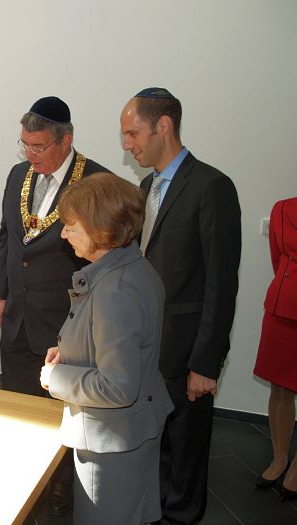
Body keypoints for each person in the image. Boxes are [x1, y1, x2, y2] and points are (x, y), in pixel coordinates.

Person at [120, 87, 242, 524]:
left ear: (164, 126)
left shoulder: (212, 187)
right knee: (157, 451)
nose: (127, 145)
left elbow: (220, 284)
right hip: (147, 348)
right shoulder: (146, 187)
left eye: (133, 133)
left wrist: (205, 364)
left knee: (186, 460)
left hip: (187, 353)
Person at [40, 172, 173, 525]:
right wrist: (70, 353)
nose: (63, 234)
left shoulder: (116, 290)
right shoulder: (133, 267)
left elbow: (116, 386)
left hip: (112, 442)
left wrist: (56, 377)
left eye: (71, 226)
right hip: (133, 429)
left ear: (100, 228)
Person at [0, 96, 107, 397]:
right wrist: (0, 294)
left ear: (65, 141)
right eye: (25, 144)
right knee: (14, 406)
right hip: (17, 320)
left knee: (57, 413)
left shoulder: (97, 183)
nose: (30, 154)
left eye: (38, 147)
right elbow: (7, 237)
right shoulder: (18, 174)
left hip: (65, 325)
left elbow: (103, 262)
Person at [253, 197, 297, 501]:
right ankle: (280, 457)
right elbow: (278, 259)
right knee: (280, 389)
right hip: (282, 311)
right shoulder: (283, 209)